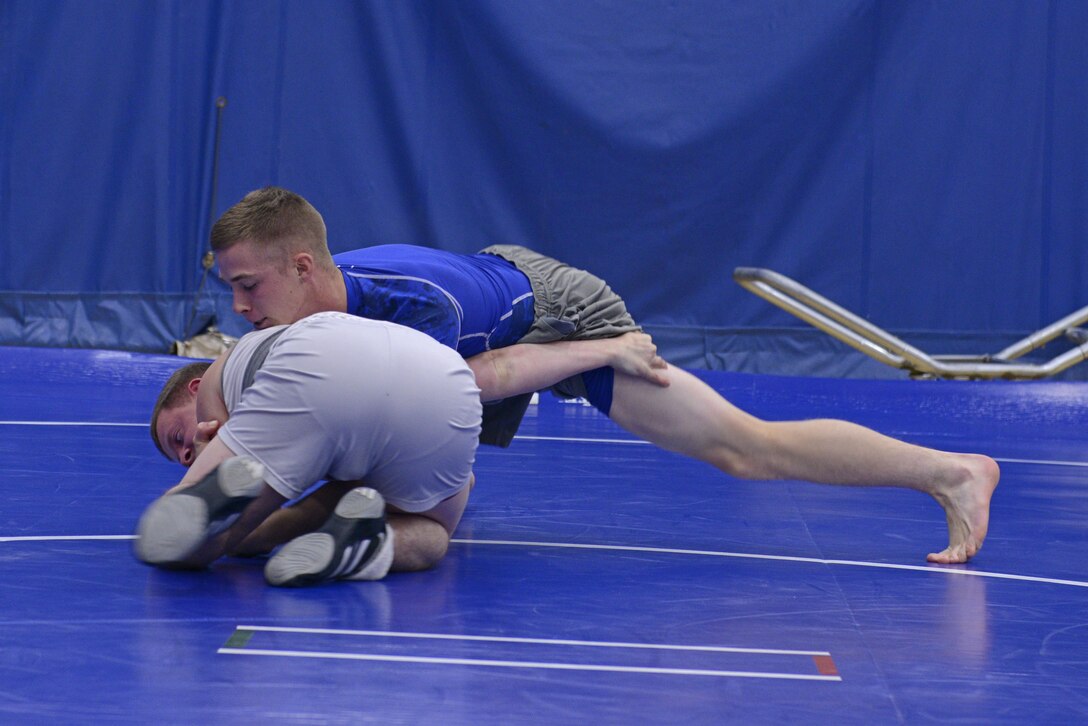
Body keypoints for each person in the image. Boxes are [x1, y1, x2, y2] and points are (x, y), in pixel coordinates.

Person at [183, 186, 1001, 565]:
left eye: (249, 287)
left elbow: (476, 384)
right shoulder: (312, 309)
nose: (242, 306)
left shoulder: (409, 307)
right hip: (494, 320)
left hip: (559, 312)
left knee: (743, 451)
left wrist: (605, 349)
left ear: (302, 266)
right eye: (231, 290)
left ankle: (953, 471)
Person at [137, 311, 484, 586]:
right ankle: (364, 547)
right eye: (181, 458)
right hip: (447, 378)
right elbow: (464, 482)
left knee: (207, 544)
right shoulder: (281, 332)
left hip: (313, 373)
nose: (186, 453)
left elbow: (258, 503)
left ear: (195, 387)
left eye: (178, 437)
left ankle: (198, 497)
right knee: (433, 532)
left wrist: (198, 474)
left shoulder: (216, 386)